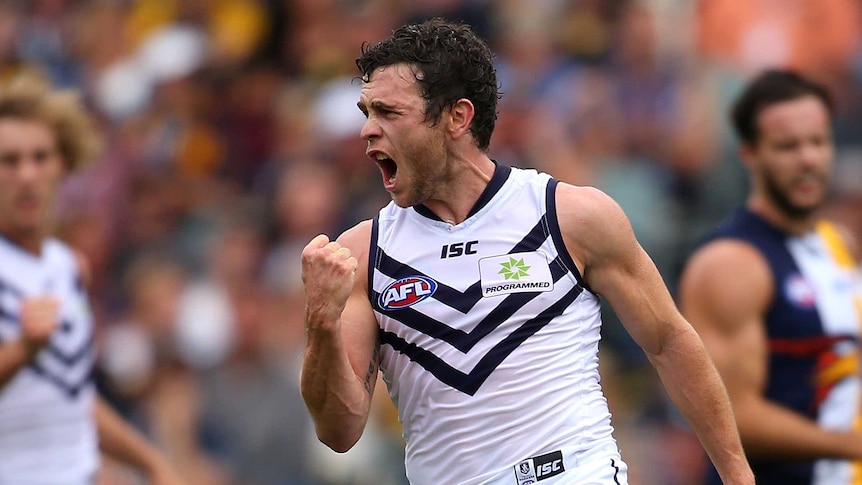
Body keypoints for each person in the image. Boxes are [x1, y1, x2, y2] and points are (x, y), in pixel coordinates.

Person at [300, 18, 754, 485]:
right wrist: (321, 322)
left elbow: (669, 343)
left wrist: (738, 476)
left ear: (458, 116)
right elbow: (339, 431)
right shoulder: (364, 253)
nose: (367, 131)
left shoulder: (569, 216)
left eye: (388, 112)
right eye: (366, 112)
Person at [0, 73, 187, 484]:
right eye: (9, 161)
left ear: (64, 164)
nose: (27, 175)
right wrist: (20, 350)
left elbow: (71, 394)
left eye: (40, 157)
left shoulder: (66, 267)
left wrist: (151, 462)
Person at [678, 69, 862, 484]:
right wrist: (853, 445)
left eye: (818, 142)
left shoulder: (839, 242)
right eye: (788, 146)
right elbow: (731, 417)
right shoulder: (729, 263)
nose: (809, 159)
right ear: (749, 153)